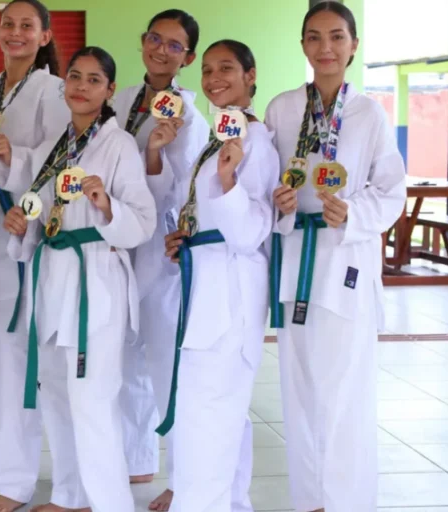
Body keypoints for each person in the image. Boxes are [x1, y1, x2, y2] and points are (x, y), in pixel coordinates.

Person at [3, 46, 156, 512]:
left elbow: (144, 221)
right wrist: (23, 223)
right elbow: (47, 213)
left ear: (110, 89)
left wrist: (107, 204)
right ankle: (72, 496)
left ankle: (110, 503)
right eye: (74, 76)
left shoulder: (120, 145)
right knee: (58, 397)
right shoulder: (58, 142)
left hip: (95, 281)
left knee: (92, 402)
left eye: (94, 79)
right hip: (53, 278)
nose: (81, 86)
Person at [266, 3, 406, 510]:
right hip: (294, 258)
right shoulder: (282, 109)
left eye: (336, 36)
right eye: (314, 37)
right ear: (303, 45)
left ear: (353, 45)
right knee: (298, 388)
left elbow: (391, 191)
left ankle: (348, 501)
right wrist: (277, 203)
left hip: (343, 260)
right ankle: (310, 500)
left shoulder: (369, 112)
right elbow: (266, 180)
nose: (325, 47)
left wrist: (351, 212)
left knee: (343, 391)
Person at [0, 1, 69, 510]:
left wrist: (13, 159)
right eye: (8, 24)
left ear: (45, 35)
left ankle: (16, 479)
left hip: (14, 227)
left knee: (15, 356)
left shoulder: (53, 89)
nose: (16, 33)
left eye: (28, 25)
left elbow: (59, 160)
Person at [159, 40, 277, 512]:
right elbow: (210, 217)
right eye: (206, 70)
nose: (213, 78)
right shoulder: (220, 138)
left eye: (226, 68)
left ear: (250, 75)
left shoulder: (257, 142)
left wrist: (228, 183)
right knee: (221, 415)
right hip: (208, 284)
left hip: (229, 293)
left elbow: (249, 231)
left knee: (206, 417)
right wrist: (185, 239)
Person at [111, 10, 209, 509]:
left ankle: (183, 476)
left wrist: (154, 156)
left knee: (169, 362)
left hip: (164, 243)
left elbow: (180, 187)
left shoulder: (190, 113)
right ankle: (136, 459)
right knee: (126, 356)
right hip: (116, 240)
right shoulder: (123, 97)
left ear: (188, 57)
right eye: (155, 38)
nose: (161, 50)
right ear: (142, 40)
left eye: (175, 45)